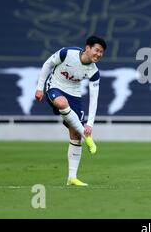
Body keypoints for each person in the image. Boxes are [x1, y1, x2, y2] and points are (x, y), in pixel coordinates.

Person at [34, 36, 107, 186]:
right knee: (62, 103)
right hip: (55, 86)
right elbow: (48, 64)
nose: (99, 54)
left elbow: (94, 99)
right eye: (97, 50)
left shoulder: (94, 72)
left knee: (75, 135)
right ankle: (88, 139)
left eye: (102, 52)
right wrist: (39, 87)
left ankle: (72, 178)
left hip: (74, 94)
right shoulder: (67, 53)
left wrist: (90, 124)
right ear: (87, 48)